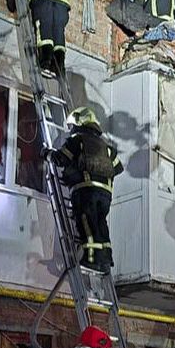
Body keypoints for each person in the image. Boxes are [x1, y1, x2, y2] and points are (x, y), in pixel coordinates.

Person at [44, 107, 123, 273]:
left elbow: (61, 159)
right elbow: (118, 168)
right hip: (105, 194)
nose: (71, 130)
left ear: (78, 124)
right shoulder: (106, 147)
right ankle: (106, 261)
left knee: (86, 225)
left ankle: (91, 260)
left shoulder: (77, 140)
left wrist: (46, 154)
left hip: (85, 191)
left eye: (72, 126)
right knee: (100, 225)